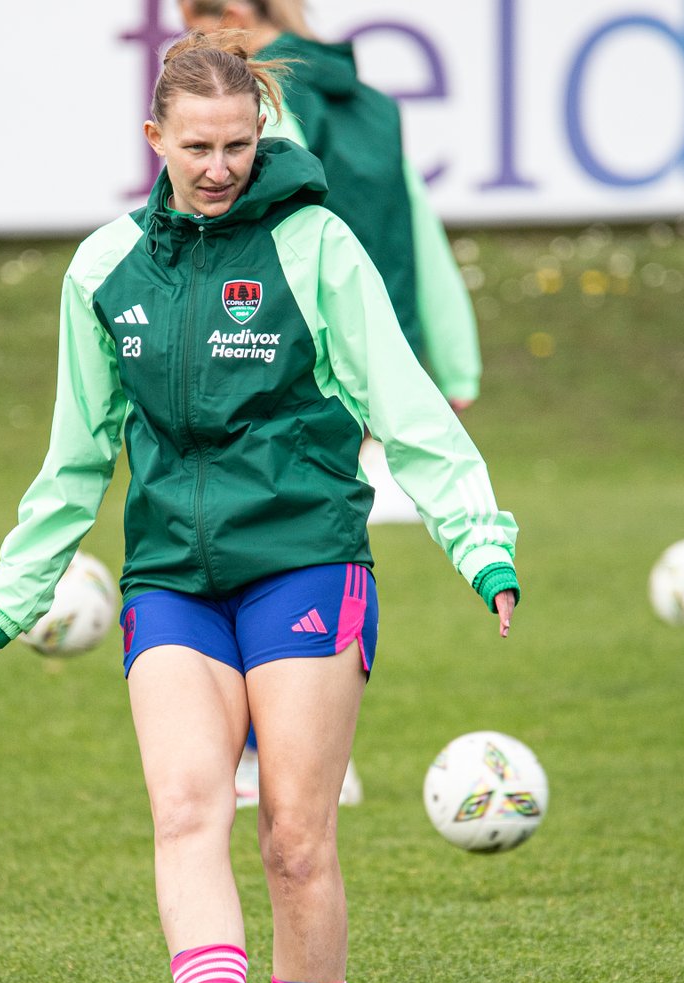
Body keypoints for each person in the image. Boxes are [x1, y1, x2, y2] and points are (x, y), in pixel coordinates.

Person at [0, 31, 519, 983]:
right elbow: (73, 462)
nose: (219, 167)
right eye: (198, 147)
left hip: (305, 558)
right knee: (186, 810)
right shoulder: (104, 269)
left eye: (238, 145)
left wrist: (478, 542)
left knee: (297, 841)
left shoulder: (317, 247)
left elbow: (407, 410)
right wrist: (8, 600)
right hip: (171, 577)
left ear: (265, 134)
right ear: (153, 139)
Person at [178, 0, 485, 806]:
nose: (198, 32)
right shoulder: (371, 103)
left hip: (279, 357)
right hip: (366, 355)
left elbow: (255, 233)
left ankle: (273, 757)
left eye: (204, 12)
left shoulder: (258, 106)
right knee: (315, 525)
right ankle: (313, 754)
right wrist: (449, 359)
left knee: (257, 527)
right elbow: (418, 225)